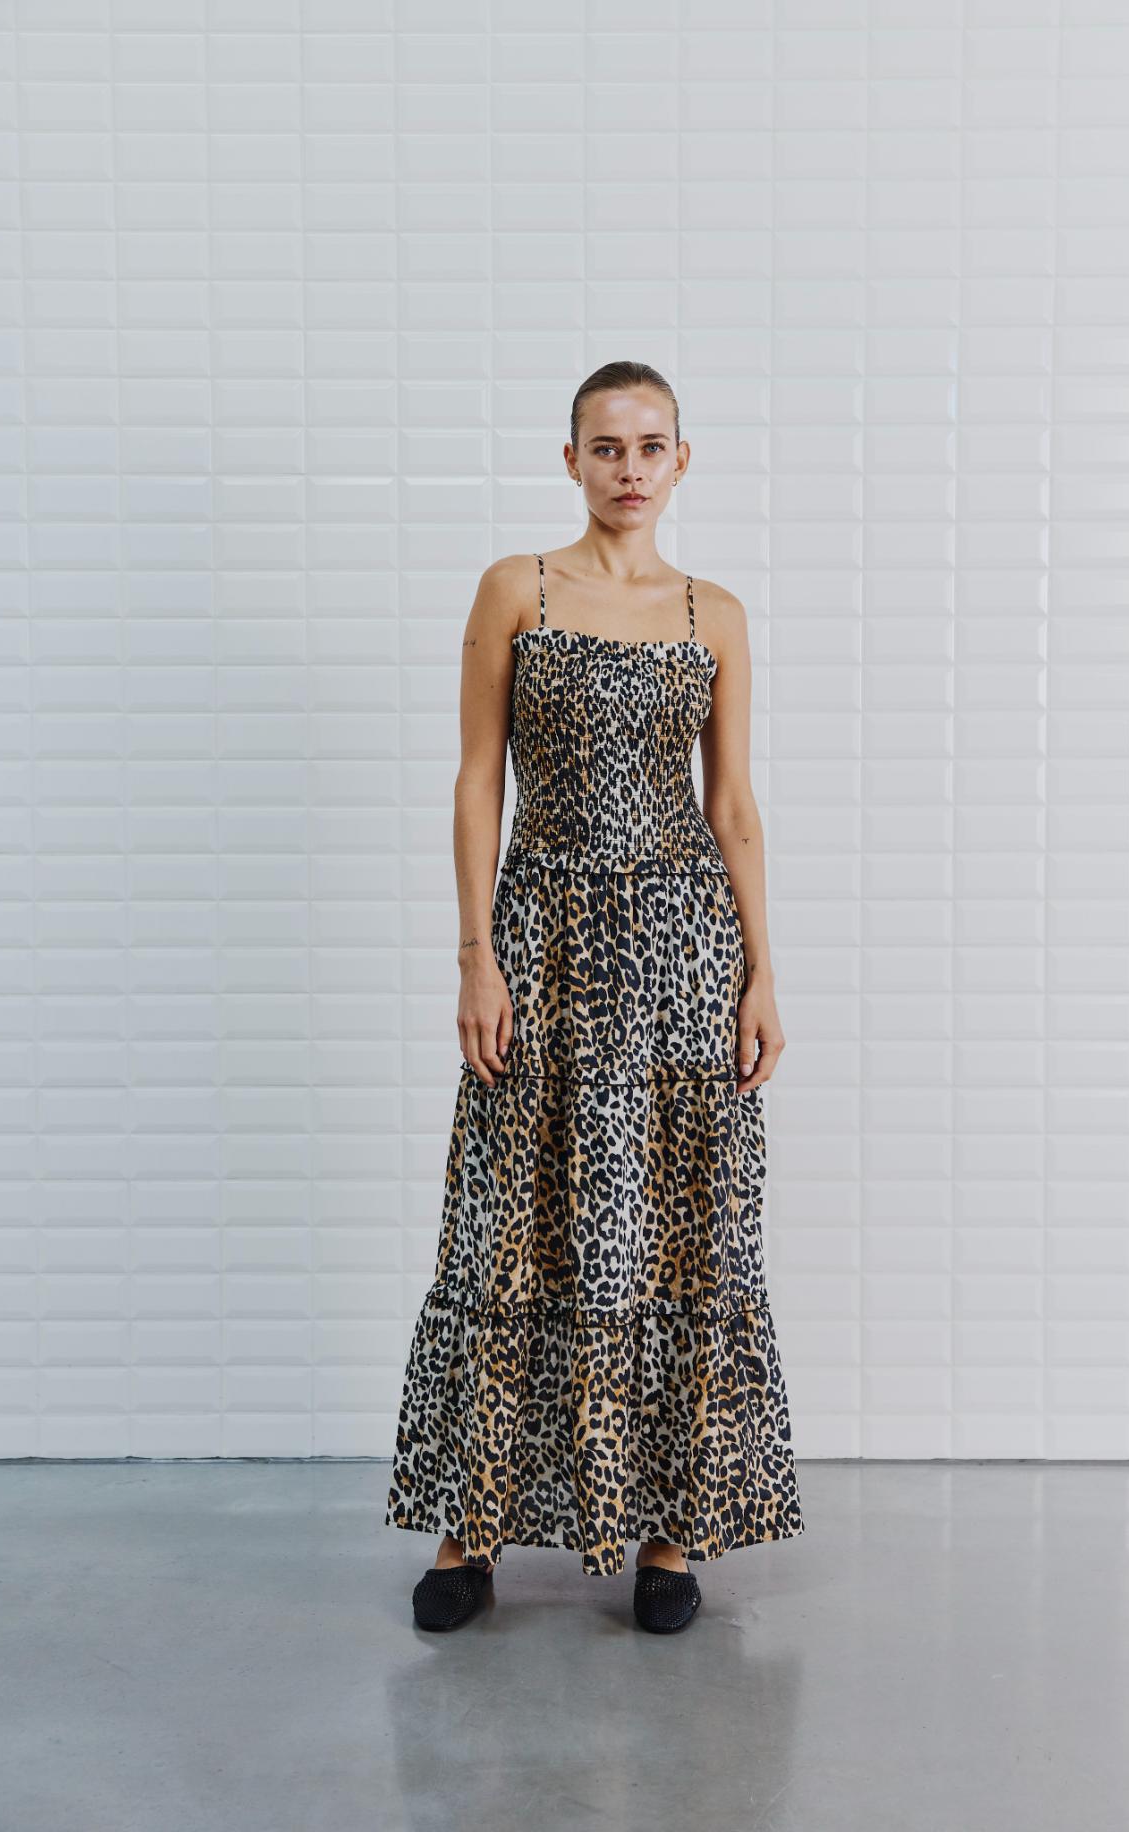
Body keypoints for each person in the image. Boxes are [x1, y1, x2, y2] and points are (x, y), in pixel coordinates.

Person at [385, 360, 805, 1633]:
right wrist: (476, 952)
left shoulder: (713, 613)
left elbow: (731, 804)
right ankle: (470, 1529)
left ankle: (670, 1531)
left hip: (681, 944)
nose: (630, 468)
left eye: (651, 445)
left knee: (679, 1221)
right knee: (511, 1216)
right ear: (569, 460)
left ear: (683, 459)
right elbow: (477, 780)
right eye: (606, 446)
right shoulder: (516, 588)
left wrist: (761, 969)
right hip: (547, 936)